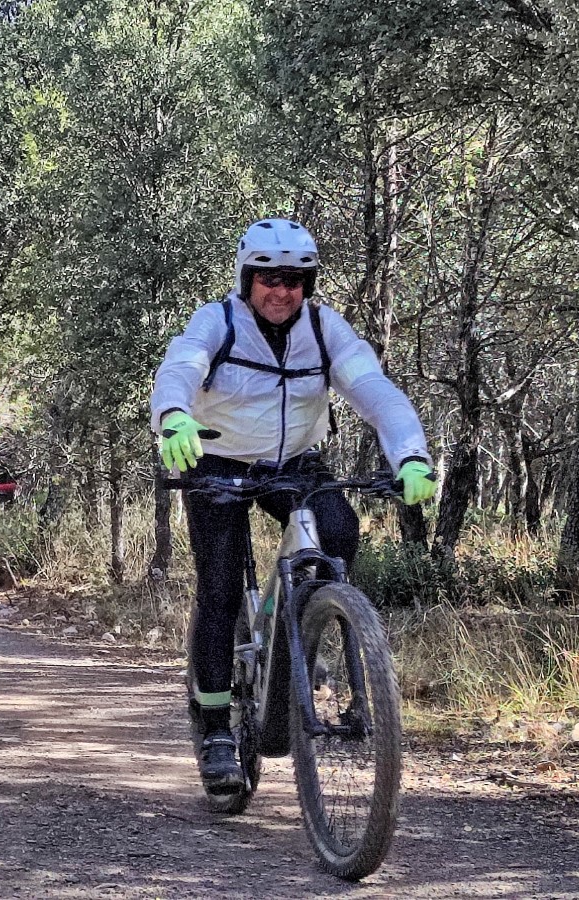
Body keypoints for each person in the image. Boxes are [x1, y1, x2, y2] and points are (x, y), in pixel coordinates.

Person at [148, 217, 435, 792]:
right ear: (246, 277)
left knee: (338, 531)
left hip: (294, 463)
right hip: (217, 461)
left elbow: (375, 390)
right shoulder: (219, 321)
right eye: (269, 278)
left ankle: (302, 635)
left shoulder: (326, 329)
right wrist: (174, 415)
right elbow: (180, 366)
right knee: (223, 585)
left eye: (295, 280)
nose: (282, 291)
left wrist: (410, 454)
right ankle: (214, 730)